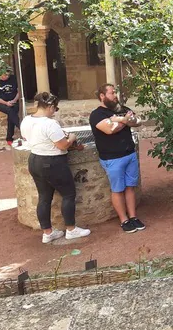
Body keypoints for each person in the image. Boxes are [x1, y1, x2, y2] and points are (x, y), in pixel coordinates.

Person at [20, 92, 91, 243]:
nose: (55, 112)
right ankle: (71, 229)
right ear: (50, 107)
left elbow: (28, 138)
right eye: (55, 109)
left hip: (34, 160)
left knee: (44, 197)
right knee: (68, 194)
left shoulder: (26, 120)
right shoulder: (50, 123)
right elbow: (62, 145)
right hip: (52, 162)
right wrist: (72, 137)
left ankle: (47, 233)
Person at [89, 84, 144, 234]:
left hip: (129, 154)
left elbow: (137, 122)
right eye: (112, 93)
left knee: (130, 187)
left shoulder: (122, 109)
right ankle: (124, 220)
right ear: (102, 95)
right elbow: (109, 130)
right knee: (118, 189)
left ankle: (133, 217)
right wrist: (126, 120)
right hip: (112, 158)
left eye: (115, 92)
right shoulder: (97, 115)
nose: (115, 95)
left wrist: (120, 119)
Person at [0, 70, 21, 146]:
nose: (6, 77)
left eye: (7, 75)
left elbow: (19, 91)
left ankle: (9, 138)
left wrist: (14, 100)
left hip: (14, 101)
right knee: (10, 111)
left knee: (11, 113)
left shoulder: (13, 78)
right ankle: (23, 129)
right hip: (1, 103)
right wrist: (6, 103)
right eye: (4, 75)